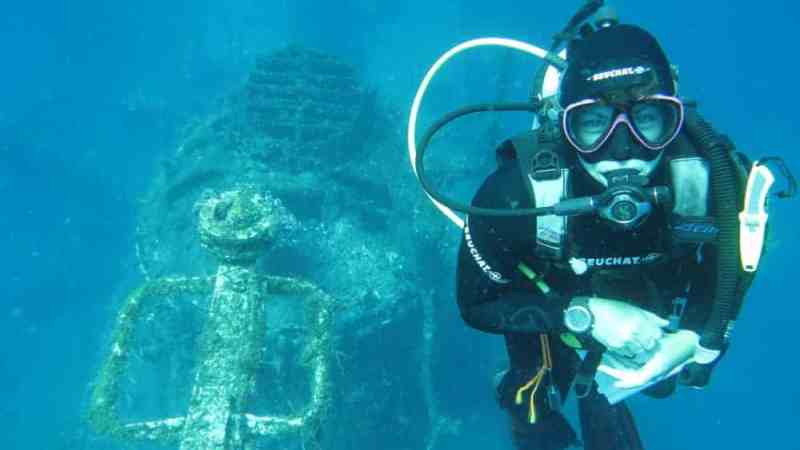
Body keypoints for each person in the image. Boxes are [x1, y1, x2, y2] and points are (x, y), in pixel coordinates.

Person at [454, 20, 760, 450]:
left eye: (646, 119)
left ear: (673, 118)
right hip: (551, 298)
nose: (623, 151)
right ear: (565, 127)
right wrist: (585, 314)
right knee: (532, 403)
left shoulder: (715, 180)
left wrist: (692, 337)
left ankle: (598, 392)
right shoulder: (515, 193)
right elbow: (476, 304)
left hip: (646, 304)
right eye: (594, 123)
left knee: (639, 391)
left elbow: (731, 270)